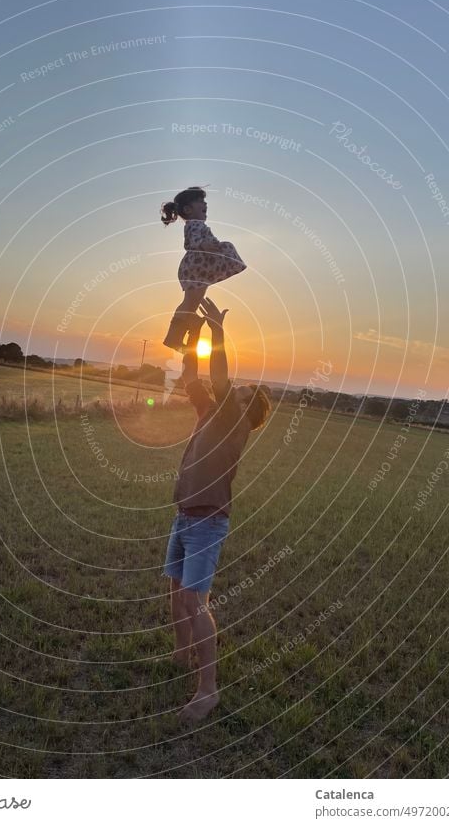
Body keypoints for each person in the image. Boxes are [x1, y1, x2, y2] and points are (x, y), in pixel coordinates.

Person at [162, 296, 271, 722]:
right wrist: (192, 335)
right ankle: (180, 654)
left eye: (241, 394)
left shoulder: (237, 423)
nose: (232, 393)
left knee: (194, 603)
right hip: (183, 516)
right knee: (175, 595)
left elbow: (219, 376)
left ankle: (208, 692)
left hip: (207, 522)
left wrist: (218, 332)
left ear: (248, 410)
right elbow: (194, 375)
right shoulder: (211, 413)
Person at [160, 186, 247, 352]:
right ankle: (173, 337)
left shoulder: (198, 224)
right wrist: (204, 244)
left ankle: (186, 328)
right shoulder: (194, 225)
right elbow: (192, 242)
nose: (204, 204)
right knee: (189, 301)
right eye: (200, 201)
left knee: (193, 300)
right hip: (196, 266)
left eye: (204, 201)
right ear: (188, 209)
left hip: (201, 268)